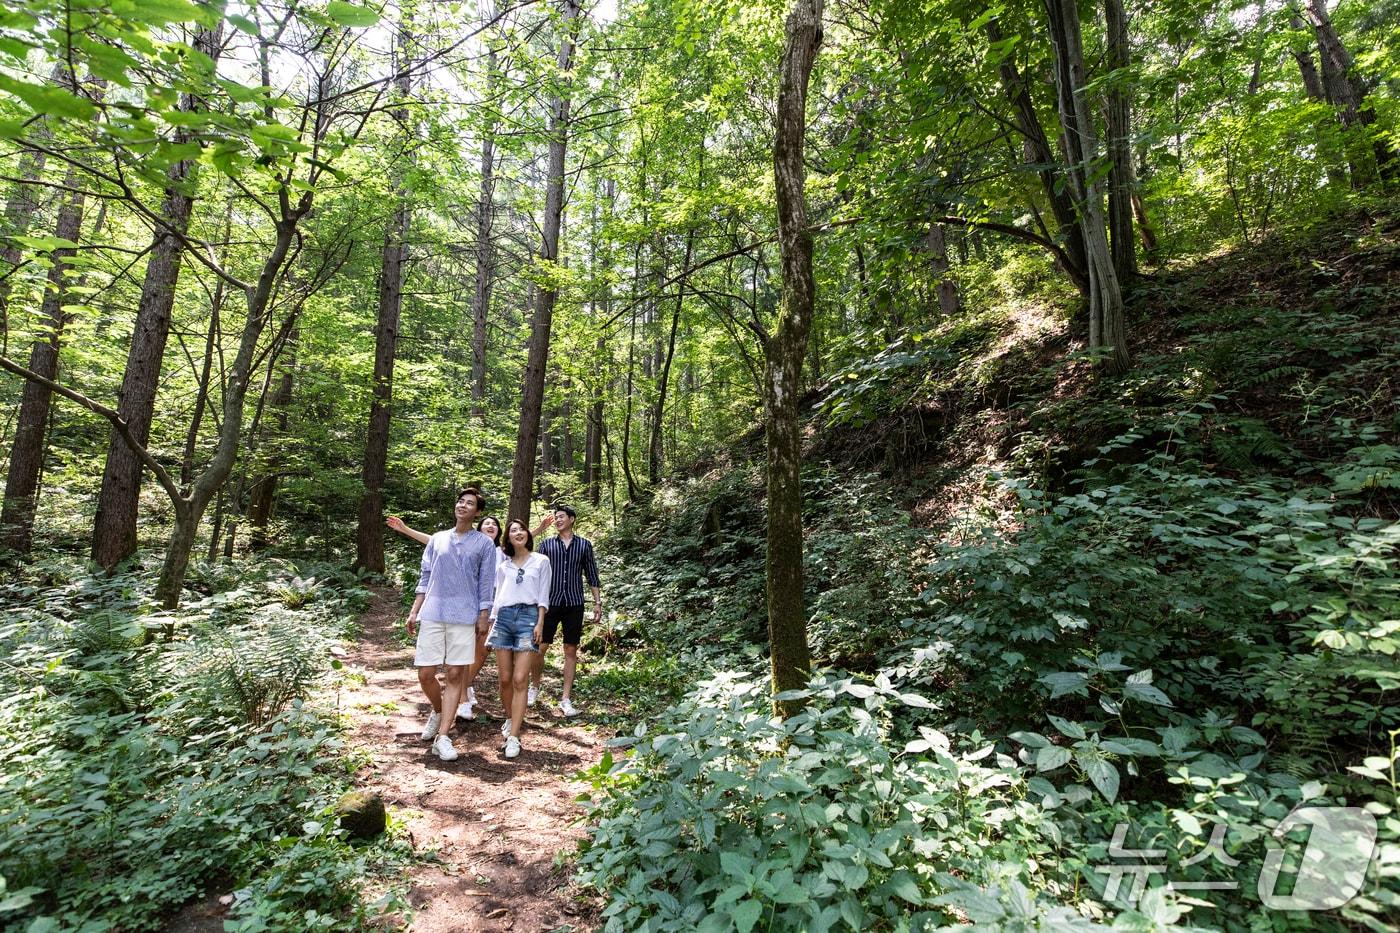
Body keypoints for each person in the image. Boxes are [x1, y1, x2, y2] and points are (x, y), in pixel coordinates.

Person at [404, 488, 496, 761]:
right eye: (460, 501)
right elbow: (425, 577)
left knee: (456, 675)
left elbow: (485, 582)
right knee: (425, 673)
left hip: (465, 616)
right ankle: (439, 709)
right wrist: (414, 611)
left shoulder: (484, 544)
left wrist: (483, 615)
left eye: (469, 504)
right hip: (433, 612)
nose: (463, 506)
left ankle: (443, 737)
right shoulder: (438, 539)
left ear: (477, 512)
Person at [388, 512, 504, 719]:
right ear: (479, 527)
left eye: (494, 524)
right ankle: (461, 699)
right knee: (449, 666)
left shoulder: (501, 550)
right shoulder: (460, 543)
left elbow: (523, 537)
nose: (490, 526)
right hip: (454, 608)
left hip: (488, 605)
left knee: (479, 654)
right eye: (486, 523)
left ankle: (464, 689)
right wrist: (405, 530)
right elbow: (433, 542)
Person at [486, 519, 552, 760]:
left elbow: (544, 594)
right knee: (504, 679)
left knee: (519, 678)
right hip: (503, 618)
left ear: (527, 533)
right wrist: (491, 620)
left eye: (521, 529)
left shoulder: (541, 561)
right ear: (508, 539)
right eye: (513, 531)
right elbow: (498, 595)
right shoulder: (504, 566)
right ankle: (511, 717)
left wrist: (540, 622)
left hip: (529, 618)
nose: (518, 533)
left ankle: (514, 736)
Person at [531, 504, 601, 717]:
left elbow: (592, 574)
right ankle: (533, 688)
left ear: (572, 519)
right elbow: (535, 571)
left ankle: (566, 699)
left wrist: (597, 603)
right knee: (539, 647)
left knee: (570, 650)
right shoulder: (546, 545)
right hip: (549, 603)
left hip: (574, 603)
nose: (557, 520)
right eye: (555, 517)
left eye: (561, 516)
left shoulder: (584, 545)